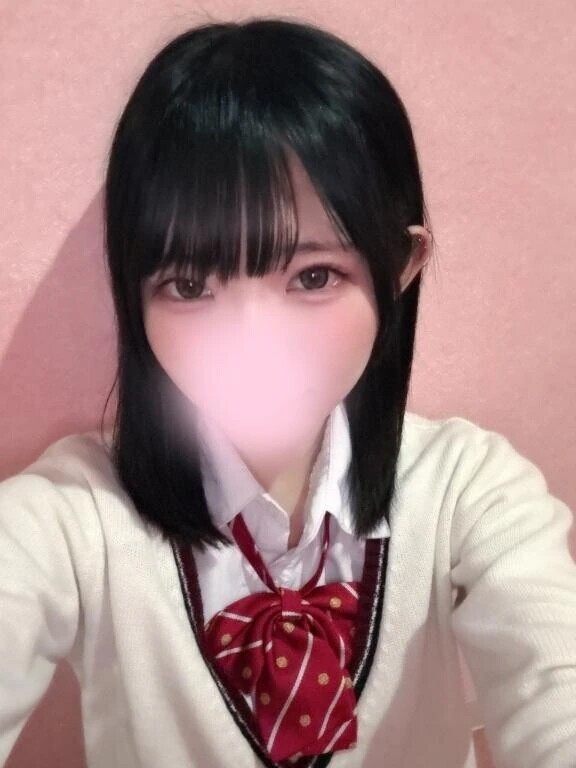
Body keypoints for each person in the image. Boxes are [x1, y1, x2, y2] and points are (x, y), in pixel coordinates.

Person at [1, 16, 575, 768]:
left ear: (400, 269)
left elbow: (555, 684)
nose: (252, 345)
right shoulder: (73, 518)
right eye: (189, 284)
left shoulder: (470, 492)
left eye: (313, 276)